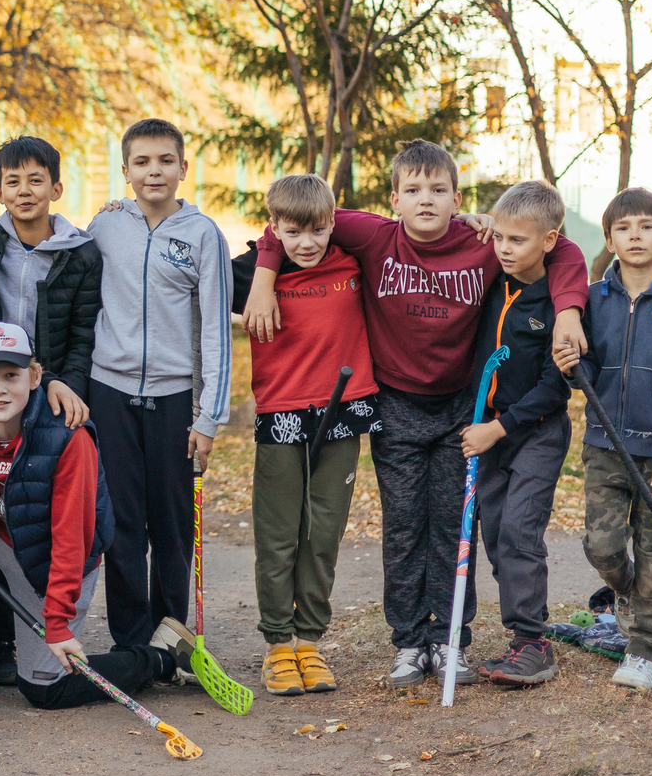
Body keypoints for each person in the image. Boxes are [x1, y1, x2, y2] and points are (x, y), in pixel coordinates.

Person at [245, 139, 590, 690]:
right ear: (394, 199)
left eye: (438, 190)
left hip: (462, 409)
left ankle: (450, 639)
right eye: (413, 190)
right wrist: (264, 276)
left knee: (455, 529)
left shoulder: (483, 244)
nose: (425, 200)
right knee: (403, 528)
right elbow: (289, 219)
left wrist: (569, 309)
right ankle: (408, 642)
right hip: (395, 406)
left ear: (458, 198)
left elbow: (562, 251)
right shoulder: (374, 234)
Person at [0, 321, 194, 710]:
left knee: (46, 688)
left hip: (46, 557)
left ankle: (160, 656)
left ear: (36, 376)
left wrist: (56, 622)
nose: (0, 388)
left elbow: (71, 540)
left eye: (12, 375)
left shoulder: (69, 438)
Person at [553, 186, 652, 692]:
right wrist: (570, 369)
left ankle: (643, 650)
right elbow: (589, 370)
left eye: (646, 227)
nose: (634, 235)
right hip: (604, 445)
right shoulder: (594, 300)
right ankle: (628, 593)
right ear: (609, 238)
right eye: (623, 228)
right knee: (600, 546)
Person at [83, 118, 233, 651]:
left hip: (174, 400)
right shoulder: (104, 227)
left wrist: (210, 416)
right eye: (142, 162)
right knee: (122, 523)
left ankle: (170, 641)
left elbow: (216, 332)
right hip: (110, 392)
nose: (154, 171)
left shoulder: (204, 236)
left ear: (182, 168)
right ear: (125, 172)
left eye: (165, 161)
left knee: (171, 525)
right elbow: (53, 244)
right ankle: (131, 644)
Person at [0, 133, 102, 687]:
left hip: (48, 384)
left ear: (56, 187)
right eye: (12, 181)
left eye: (35, 179)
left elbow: (84, 329)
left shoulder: (81, 252)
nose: (24, 190)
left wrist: (65, 382)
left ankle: (59, 605)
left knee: (38, 502)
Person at [242, 175, 376, 697]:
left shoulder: (353, 259)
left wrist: (472, 222)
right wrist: (262, 273)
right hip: (281, 412)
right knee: (279, 533)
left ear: (332, 223)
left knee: (323, 532)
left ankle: (309, 641)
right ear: (273, 228)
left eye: (318, 230)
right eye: (292, 232)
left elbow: (407, 236)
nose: (307, 242)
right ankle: (277, 642)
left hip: (342, 410)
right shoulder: (249, 270)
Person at [458, 181, 578, 689]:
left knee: (519, 531)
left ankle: (534, 642)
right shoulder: (491, 281)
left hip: (537, 431)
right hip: (488, 431)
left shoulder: (558, 301)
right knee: (497, 532)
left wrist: (498, 429)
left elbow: (557, 388)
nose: (505, 249)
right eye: (499, 238)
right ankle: (520, 636)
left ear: (548, 241)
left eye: (518, 241)